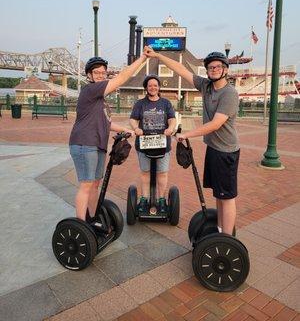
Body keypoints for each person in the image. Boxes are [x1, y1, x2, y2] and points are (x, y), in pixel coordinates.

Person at [144, 47, 239, 235]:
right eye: (210, 67)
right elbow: (181, 69)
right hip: (213, 148)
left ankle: (226, 238)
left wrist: (187, 134)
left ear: (225, 70)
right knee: (219, 195)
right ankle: (220, 229)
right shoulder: (206, 86)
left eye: (218, 67)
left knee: (227, 197)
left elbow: (215, 124)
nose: (213, 70)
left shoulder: (229, 93)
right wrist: (157, 55)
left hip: (226, 151)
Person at [69, 53, 147, 221]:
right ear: (89, 75)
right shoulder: (90, 89)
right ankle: (81, 224)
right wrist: (142, 59)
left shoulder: (101, 100)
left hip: (97, 145)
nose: (100, 75)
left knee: (95, 183)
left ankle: (92, 218)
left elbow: (107, 124)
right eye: (96, 72)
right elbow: (123, 77)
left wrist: (127, 130)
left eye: (103, 72)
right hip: (85, 143)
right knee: (86, 185)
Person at [129, 74, 176, 213]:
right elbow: (133, 119)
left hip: (162, 144)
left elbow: (172, 119)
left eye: (155, 85)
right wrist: (136, 128)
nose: (153, 87)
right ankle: (144, 198)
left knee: (162, 173)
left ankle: (161, 199)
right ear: (146, 88)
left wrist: (170, 128)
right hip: (145, 144)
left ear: (159, 87)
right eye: (150, 85)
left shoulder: (166, 103)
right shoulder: (140, 104)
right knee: (145, 173)